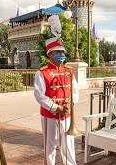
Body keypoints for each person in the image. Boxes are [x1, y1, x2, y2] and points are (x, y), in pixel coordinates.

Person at [34, 15, 79, 165]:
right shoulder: (42, 72)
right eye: (57, 52)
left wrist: (69, 105)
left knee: (68, 145)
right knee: (50, 146)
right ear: (50, 54)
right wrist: (55, 107)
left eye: (62, 52)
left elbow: (75, 91)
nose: (61, 55)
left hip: (66, 114)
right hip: (50, 115)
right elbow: (39, 95)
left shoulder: (68, 71)